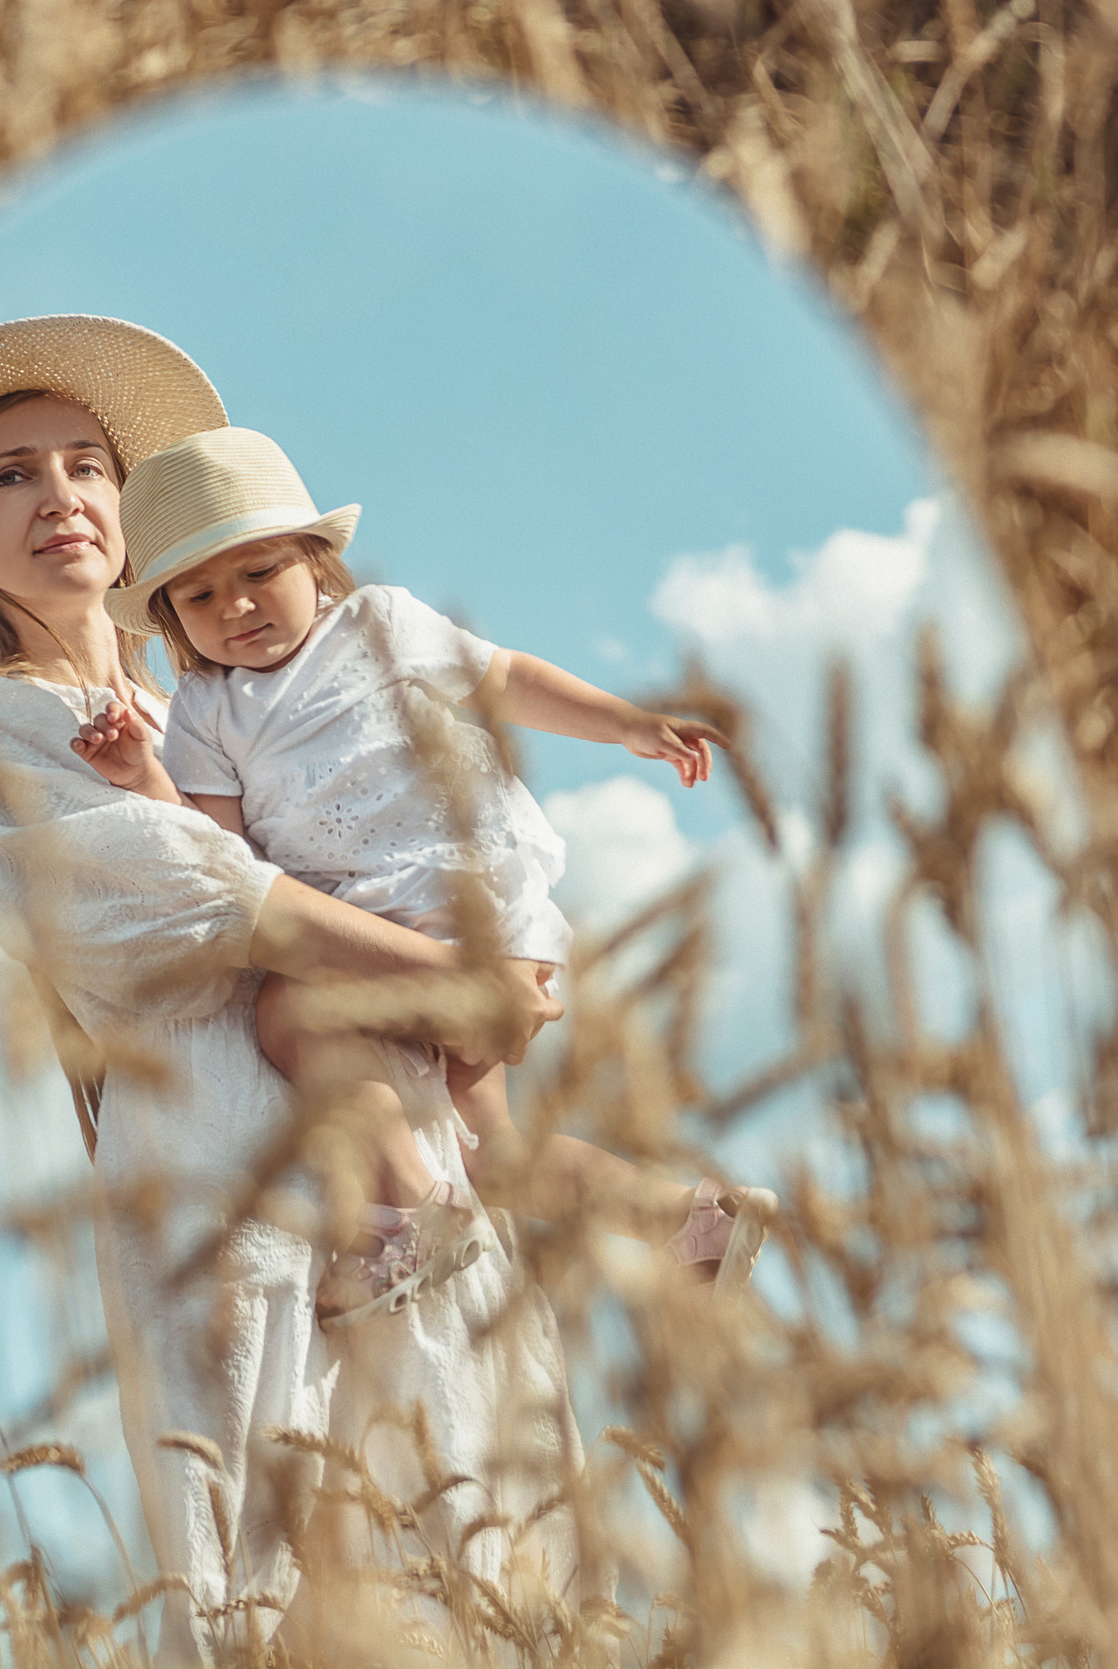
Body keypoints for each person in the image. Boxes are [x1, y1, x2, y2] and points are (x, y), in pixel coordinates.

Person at [0, 316, 581, 1661]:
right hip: (228, 1176)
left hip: (408, 1155)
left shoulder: (222, 708)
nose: (60, 494)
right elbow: (190, 893)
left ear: (128, 505)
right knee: (279, 1579)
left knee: (476, 1535)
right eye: (10, 475)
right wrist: (457, 980)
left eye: (86, 464)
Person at [66, 425, 777, 1328]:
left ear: (314, 561)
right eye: (199, 594)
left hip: (473, 921)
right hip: (373, 944)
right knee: (492, 1154)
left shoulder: (379, 625)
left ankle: (408, 1210)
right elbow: (217, 852)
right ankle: (690, 1222)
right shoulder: (206, 711)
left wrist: (624, 724)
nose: (236, 606)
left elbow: (503, 678)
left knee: (287, 1014)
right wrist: (144, 777)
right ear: (168, 613)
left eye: (258, 573)